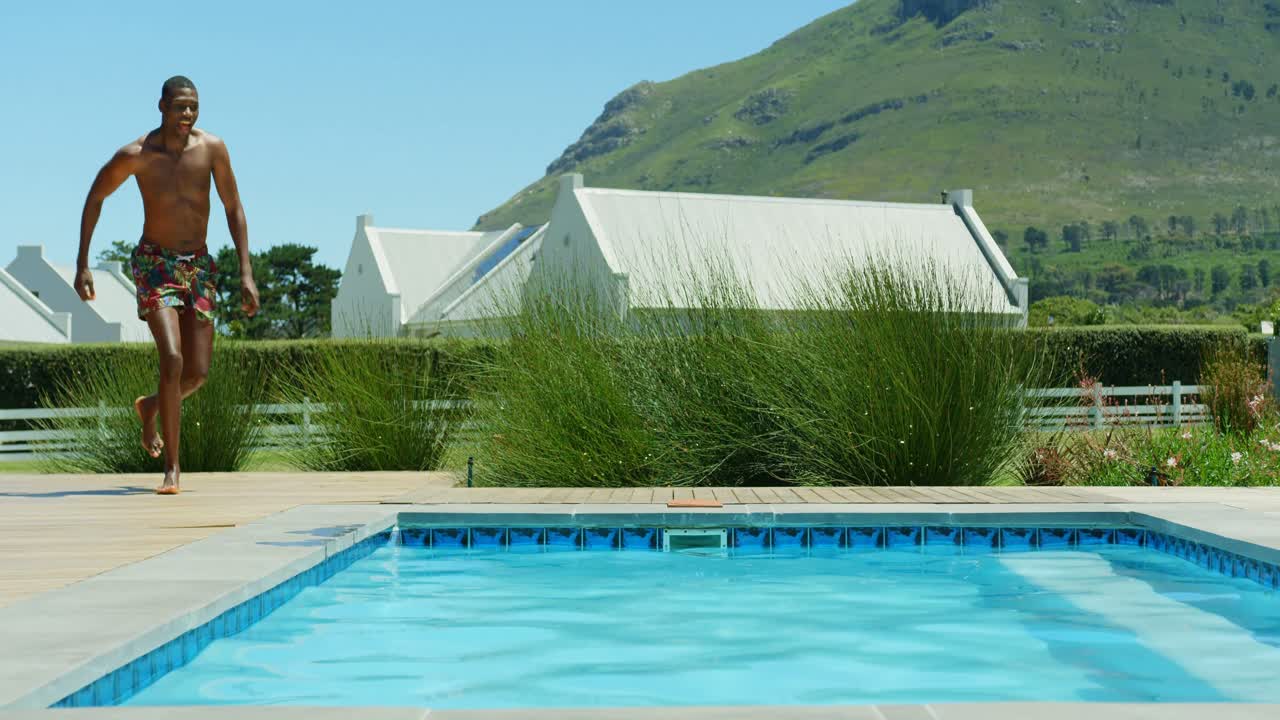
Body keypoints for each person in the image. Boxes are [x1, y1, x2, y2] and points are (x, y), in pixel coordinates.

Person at [75, 75, 260, 495]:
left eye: (193, 106)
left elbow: (233, 206)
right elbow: (95, 197)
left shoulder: (212, 148)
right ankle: (172, 469)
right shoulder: (137, 154)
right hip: (154, 263)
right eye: (180, 106)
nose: (187, 113)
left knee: (198, 373)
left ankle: (151, 407)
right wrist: (83, 263)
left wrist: (245, 271)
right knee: (173, 359)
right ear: (162, 106)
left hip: (199, 267)